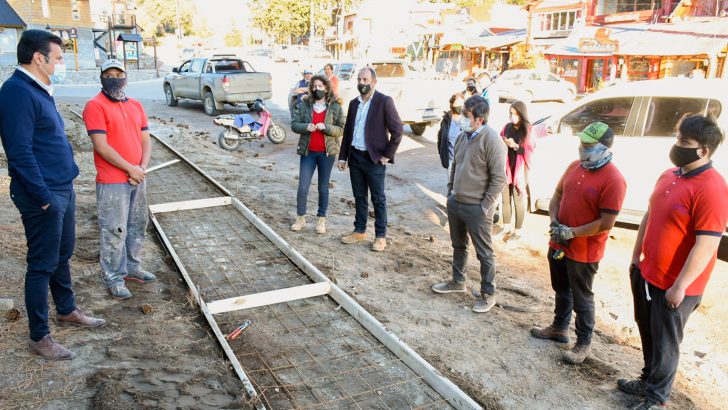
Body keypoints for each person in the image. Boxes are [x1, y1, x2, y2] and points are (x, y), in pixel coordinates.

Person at [0, 29, 105, 361]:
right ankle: (39, 337)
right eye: (58, 58)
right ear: (38, 58)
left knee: (62, 254)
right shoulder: (17, 92)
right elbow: (19, 152)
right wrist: (44, 196)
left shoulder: (39, 88)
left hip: (62, 188)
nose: (61, 64)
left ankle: (67, 309)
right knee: (41, 264)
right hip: (43, 194)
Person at [618, 115, 728, 410]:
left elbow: (707, 245)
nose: (677, 145)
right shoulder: (670, 174)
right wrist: (635, 257)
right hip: (647, 272)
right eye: (677, 137)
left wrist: (681, 286)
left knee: (666, 343)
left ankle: (656, 400)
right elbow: (650, 215)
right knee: (647, 330)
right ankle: (647, 379)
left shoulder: (713, 189)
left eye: (684, 142)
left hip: (676, 284)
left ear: (703, 150)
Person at [530, 121, 626, 364]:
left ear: (604, 148)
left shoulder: (614, 180)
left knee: (582, 296)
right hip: (559, 243)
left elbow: (605, 223)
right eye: (582, 143)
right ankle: (559, 328)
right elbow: (558, 195)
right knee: (561, 287)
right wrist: (554, 221)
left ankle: (583, 344)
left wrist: (572, 233)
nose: (582, 148)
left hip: (584, 251)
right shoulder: (576, 166)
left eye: (588, 145)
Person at [82, 59, 155, 300]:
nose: (114, 77)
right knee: (114, 229)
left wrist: (141, 168)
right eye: (109, 74)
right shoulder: (95, 106)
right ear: (101, 77)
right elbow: (101, 147)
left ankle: (132, 266)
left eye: (119, 73)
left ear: (126, 75)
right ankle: (113, 277)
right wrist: (130, 169)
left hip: (137, 177)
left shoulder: (135, 105)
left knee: (136, 224)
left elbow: (145, 139)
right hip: (112, 180)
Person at [431, 96, 507, 313]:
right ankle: (458, 281)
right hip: (456, 202)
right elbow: (455, 165)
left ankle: (488, 293)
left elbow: (499, 179)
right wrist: (450, 192)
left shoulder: (492, 141)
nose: (462, 118)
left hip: (477, 208)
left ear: (479, 119)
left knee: (484, 253)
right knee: (458, 245)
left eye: (466, 115)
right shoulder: (463, 137)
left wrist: (485, 207)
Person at [337, 67, 403, 252]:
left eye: (365, 79)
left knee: (378, 199)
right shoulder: (353, 103)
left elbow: (397, 131)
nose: (361, 83)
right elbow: (348, 131)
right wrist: (343, 157)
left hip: (374, 159)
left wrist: (387, 156)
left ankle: (380, 236)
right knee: (359, 197)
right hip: (355, 157)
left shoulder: (384, 102)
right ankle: (359, 230)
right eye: (359, 79)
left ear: (374, 82)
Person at [290, 74, 345, 234]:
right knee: (303, 187)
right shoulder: (305, 104)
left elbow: (341, 128)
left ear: (327, 88)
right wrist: (305, 127)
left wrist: (326, 128)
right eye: (314, 87)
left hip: (326, 154)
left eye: (320, 86)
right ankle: (300, 218)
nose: (317, 89)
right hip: (308, 152)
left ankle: (321, 220)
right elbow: (294, 124)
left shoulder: (335, 106)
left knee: (323, 188)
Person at [496, 101, 534, 242]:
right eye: (511, 113)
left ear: (522, 114)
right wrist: (503, 141)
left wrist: (516, 146)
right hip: (506, 167)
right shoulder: (507, 127)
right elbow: (498, 140)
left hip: (519, 169)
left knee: (518, 199)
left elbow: (530, 150)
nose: (513, 116)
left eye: (516, 114)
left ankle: (518, 231)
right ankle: (506, 227)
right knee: (505, 198)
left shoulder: (528, 130)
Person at [436, 93, 464, 175]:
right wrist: (442, 155)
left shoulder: (469, 119)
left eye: (462, 104)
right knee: (452, 185)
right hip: (451, 160)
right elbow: (440, 139)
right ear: (452, 104)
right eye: (457, 103)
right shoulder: (446, 120)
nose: (460, 106)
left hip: (466, 161)